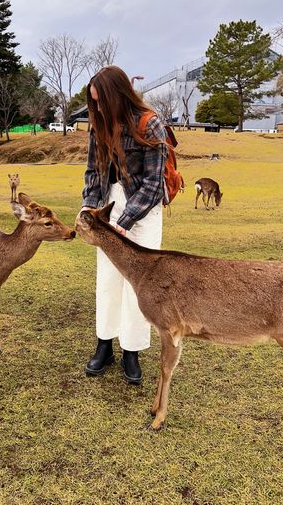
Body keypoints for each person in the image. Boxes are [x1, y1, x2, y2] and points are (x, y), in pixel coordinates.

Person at [81, 65, 168, 384]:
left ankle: (131, 350)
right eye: (94, 103)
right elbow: (93, 171)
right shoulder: (98, 125)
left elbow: (154, 183)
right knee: (107, 278)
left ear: (117, 95)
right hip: (109, 204)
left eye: (101, 101)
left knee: (138, 283)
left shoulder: (150, 123)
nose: (99, 108)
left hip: (144, 209)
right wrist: (90, 206)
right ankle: (104, 344)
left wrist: (127, 220)